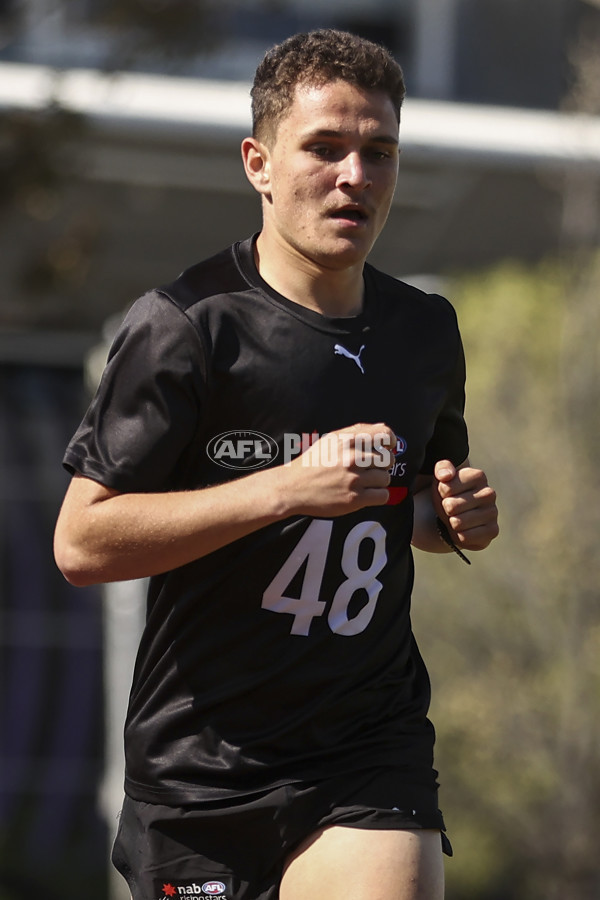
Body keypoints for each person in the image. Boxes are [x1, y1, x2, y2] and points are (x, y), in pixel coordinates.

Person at [54, 28, 499, 900]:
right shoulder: (186, 326)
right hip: (201, 772)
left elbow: (409, 512)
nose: (354, 177)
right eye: (325, 148)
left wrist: (454, 519)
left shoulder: (424, 333)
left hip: (366, 748)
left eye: (379, 152)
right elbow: (82, 544)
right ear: (258, 162)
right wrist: (285, 489)